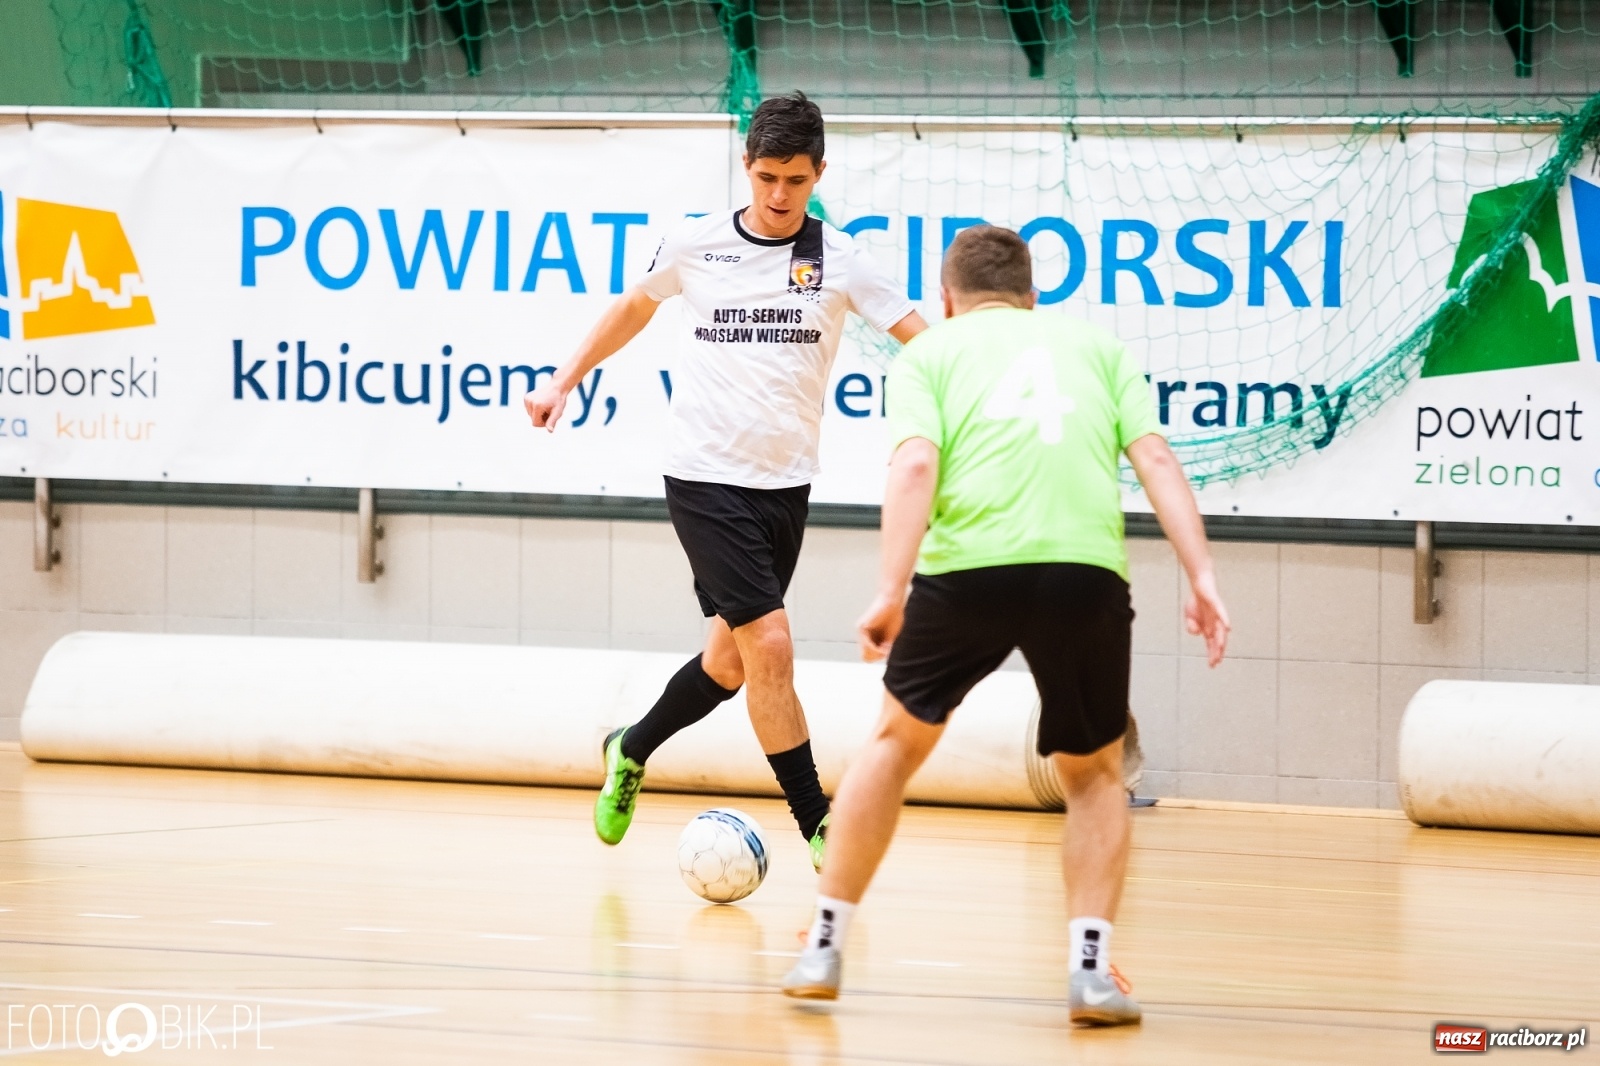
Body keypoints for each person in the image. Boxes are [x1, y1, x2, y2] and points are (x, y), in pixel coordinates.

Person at [780, 225, 1230, 1025]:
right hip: (1081, 573)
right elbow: (1157, 460)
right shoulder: (1097, 347)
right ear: (1033, 295)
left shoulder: (929, 355)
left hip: (966, 574)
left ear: (947, 301)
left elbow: (915, 466)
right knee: (1091, 774)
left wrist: (889, 590)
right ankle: (1090, 972)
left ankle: (822, 944)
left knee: (892, 749)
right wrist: (1201, 577)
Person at [524, 92, 927, 870]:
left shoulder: (840, 258)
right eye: (768, 177)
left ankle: (631, 746)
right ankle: (819, 825)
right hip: (704, 476)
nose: (780, 197)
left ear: (820, 175)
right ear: (746, 168)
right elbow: (633, 308)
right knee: (771, 647)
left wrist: (976, 390)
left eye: (797, 181)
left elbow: (918, 337)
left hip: (785, 485)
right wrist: (562, 379)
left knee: (730, 663)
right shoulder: (695, 243)